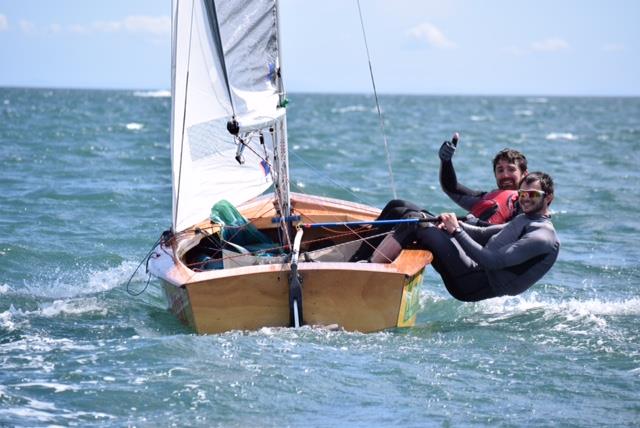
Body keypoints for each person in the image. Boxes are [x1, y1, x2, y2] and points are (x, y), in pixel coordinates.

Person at [371, 172, 560, 301]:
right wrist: (456, 224)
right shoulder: (525, 218)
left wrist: (457, 231)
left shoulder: (542, 236)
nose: (525, 198)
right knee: (401, 207)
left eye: (532, 194)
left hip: (472, 282)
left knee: (416, 223)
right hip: (471, 268)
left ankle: (368, 273)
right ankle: (359, 258)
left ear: (549, 198)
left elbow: (492, 261)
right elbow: (484, 233)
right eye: (522, 193)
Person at [439, 133, 528, 225]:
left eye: (511, 169)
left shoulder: (534, 202)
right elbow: (451, 188)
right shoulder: (484, 199)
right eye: (500, 170)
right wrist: (446, 161)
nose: (505, 175)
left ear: (525, 174)